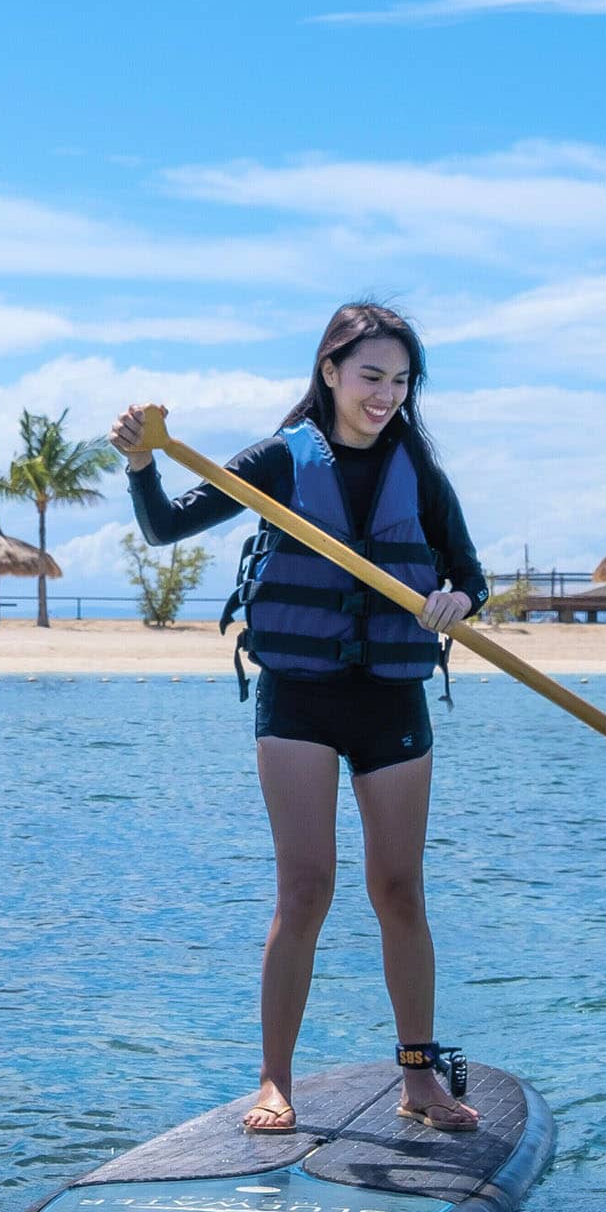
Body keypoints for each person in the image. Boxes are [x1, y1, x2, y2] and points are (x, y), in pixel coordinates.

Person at [110, 302, 487, 1135]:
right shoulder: (281, 459)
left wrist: (458, 598)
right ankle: (274, 1080)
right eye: (370, 377)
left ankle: (419, 1079)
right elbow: (168, 525)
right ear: (329, 372)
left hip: (390, 694)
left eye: (401, 381)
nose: (386, 395)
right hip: (299, 696)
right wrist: (142, 462)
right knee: (306, 888)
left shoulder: (417, 471)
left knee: (399, 889)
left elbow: (468, 574)